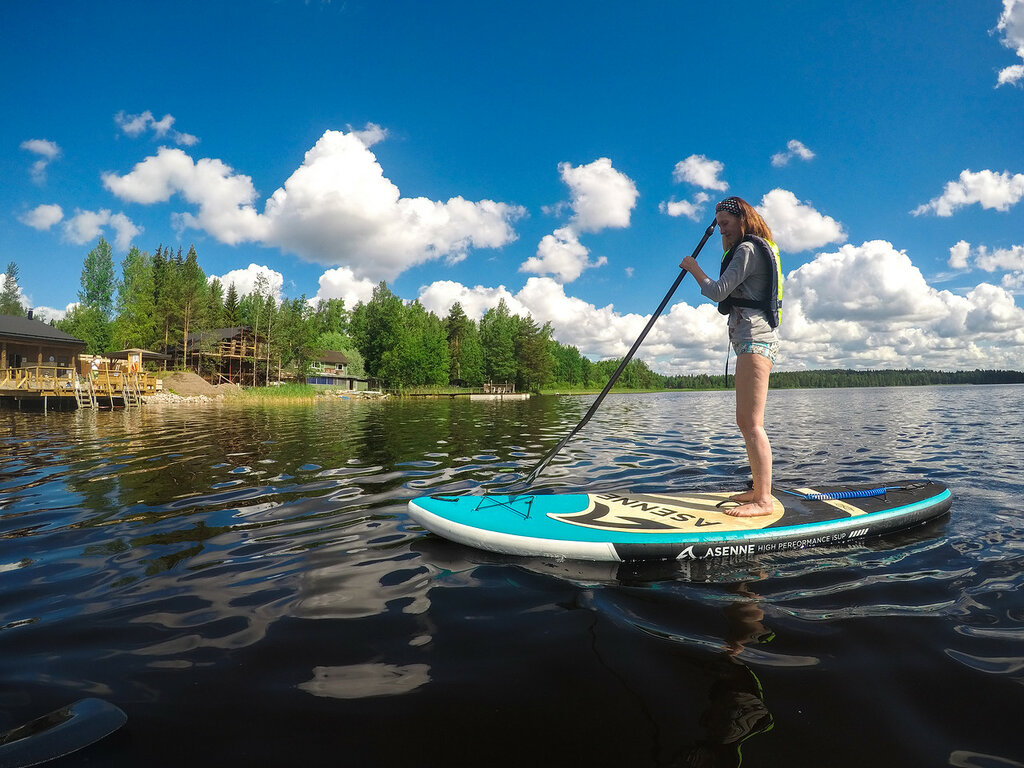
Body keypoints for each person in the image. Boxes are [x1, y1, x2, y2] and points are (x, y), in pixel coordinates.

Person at [679, 196, 782, 517]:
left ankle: (764, 501)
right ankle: (758, 489)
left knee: (752, 423)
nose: (722, 229)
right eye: (718, 224)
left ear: (743, 221)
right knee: (745, 421)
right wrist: (724, 237)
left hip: (755, 339)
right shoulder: (741, 248)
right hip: (748, 339)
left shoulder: (749, 249)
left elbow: (718, 290)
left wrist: (693, 268)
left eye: (726, 224)